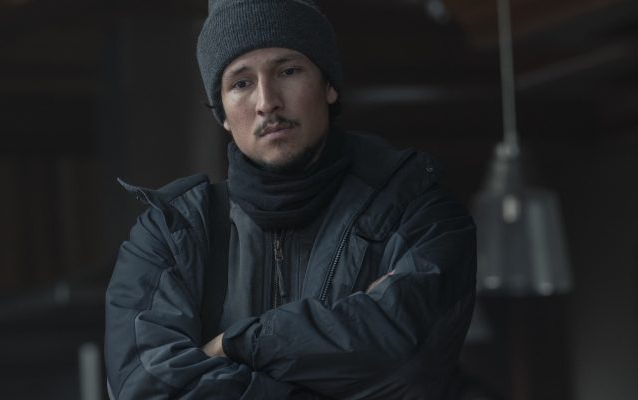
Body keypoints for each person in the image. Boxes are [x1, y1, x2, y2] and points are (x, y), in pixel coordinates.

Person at [104, 0, 476, 398]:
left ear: (329, 85)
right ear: (223, 112)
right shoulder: (172, 234)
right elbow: (147, 388)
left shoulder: (414, 211)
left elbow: (409, 365)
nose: (267, 102)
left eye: (288, 71)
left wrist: (237, 343)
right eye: (241, 83)